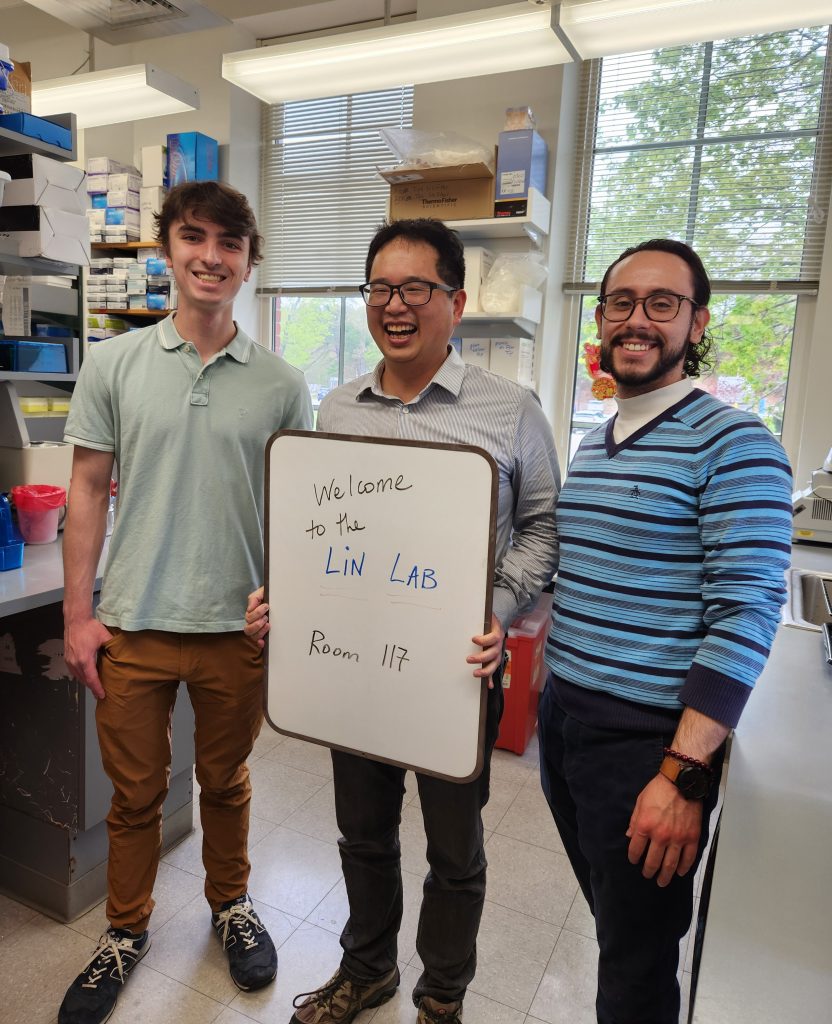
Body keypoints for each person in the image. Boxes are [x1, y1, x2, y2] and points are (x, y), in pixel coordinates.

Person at [246, 218, 560, 1024]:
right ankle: (367, 969)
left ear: (454, 301)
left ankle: (442, 993)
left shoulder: (511, 411)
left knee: (455, 852)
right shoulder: (339, 406)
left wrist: (491, 610)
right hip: (354, 665)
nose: (396, 305)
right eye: (380, 288)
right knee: (362, 835)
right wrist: (285, 597)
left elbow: (543, 526)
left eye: (416, 288)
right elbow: (317, 529)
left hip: (454, 671)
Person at [58, 181, 313, 1024]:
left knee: (226, 781)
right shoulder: (116, 364)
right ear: (167, 247)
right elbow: (88, 490)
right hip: (131, 620)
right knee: (134, 798)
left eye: (229, 243)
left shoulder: (282, 384)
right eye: (194, 237)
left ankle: (230, 905)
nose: (211, 255)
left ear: (248, 261)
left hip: (235, 629)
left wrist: (290, 609)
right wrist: (76, 616)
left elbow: (298, 513)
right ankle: (125, 930)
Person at [538, 238, 793, 1024]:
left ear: (697, 321)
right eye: (621, 302)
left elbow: (745, 614)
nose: (637, 320)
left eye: (662, 303)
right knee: (618, 930)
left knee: (636, 974)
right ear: (602, 318)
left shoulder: (737, 443)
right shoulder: (593, 440)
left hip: (647, 749)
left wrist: (684, 773)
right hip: (566, 722)